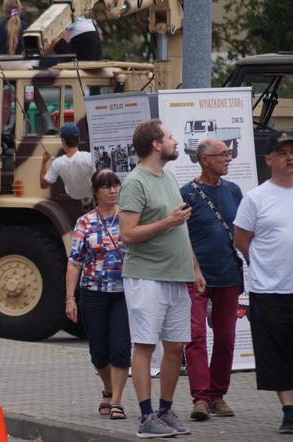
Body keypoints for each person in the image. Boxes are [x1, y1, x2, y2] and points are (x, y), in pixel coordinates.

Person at [118, 119, 204, 438]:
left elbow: (179, 227)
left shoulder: (168, 177)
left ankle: (165, 412)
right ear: (156, 144)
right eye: (169, 137)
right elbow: (127, 234)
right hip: (146, 276)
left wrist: (194, 268)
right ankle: (145, 417)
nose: (175, 141)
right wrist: (167, 222)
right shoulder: (135, 182)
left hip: (175, 276)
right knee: (144, 345)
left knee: (176, 346)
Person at [233, 131, 293, 434]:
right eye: (282, 152)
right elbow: (241, 239)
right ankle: (289, 410)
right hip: (270, 288)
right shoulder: (256, 198)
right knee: (276, 352)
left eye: (292, 151)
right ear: (269, 159)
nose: (290, 157)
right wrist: (264, 264)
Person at [180, 139, 243, 421]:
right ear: (205, 160)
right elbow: (180, 237)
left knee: (227, 338)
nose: (228, 159)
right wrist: (194, 269)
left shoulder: (234, 191)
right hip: (197, 278)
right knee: (195, 338)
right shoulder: (187, 194)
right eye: (223, 155)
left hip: (229, 275)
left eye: (228, 154)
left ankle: (218, 395)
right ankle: (201, 399)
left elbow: (243, 231)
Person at [66, 169, 130, 420]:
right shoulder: (85, 221)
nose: (113, 190)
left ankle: (116, 401)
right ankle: (108, 387)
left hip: (124, 292)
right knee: (99, 352)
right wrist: (70, 298)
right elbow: (75, 262)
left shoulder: (128, 217)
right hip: (93, 292)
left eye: (115, 185)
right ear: (96, 191)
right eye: (106, 186)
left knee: (121, 347)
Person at [40, 123, 94, 205]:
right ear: (79, 140)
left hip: (73, 197)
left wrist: (44, 163)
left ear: (63, 141)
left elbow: (43, 185)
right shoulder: (90, 158)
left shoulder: (57, 163)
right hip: (92, 196)